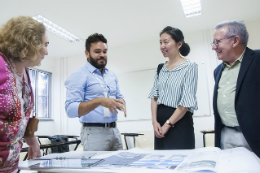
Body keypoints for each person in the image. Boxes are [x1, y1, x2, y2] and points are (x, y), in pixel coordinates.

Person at [0, 16, 49, 172]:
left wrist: (31, 139)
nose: (47, 52)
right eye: (45, 45)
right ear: (30, 43)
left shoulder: (24, 71)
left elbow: (21, 114)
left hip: (11, 165)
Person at [65, 33, 126, 151]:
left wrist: (121, 102)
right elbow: (70, 110)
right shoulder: (78, 75)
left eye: (105, 51)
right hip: (93, 133)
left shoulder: (111, 75)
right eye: (97, 52)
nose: (102, 55)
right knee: (96, 169)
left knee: (118, 168)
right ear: (87, 53)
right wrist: (99, 101)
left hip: (114, 130)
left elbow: (119, 96)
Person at [212, 20, 260, 158]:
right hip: (226, 136)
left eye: (217, 42)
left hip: (253, 136)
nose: (213, 47)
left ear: (235, 41)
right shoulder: (218, 71)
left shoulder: (258, 59)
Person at [148, 26, 198, 150]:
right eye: (160, 42)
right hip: (160, 125)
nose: (162, 46)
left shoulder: (190, 66)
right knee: (161, 165)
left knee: (181, 164)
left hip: (179, 123)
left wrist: (167, 125)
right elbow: (154, 97)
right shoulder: (161, 68)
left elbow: (186, 102)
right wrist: (154, 122)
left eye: (166, 42)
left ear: (179, 44)